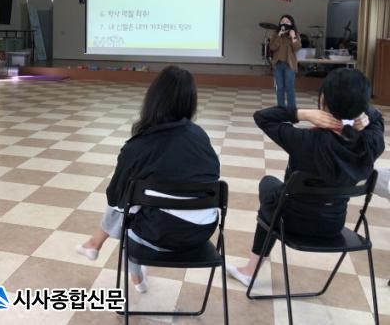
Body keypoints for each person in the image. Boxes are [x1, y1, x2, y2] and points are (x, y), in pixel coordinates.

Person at [227, 68, 385, 286]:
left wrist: (302, 114)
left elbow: (262, 117)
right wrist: (359, 115)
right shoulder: (371, 143)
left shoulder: (305, 141)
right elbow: (377, 119)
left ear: (323, 100)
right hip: (334, 224)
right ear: (362, 105)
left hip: (291, 223)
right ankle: (250, 271)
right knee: (275, 196)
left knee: (269, 188)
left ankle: (250, 271)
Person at [76, 66, 220, 293]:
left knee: (128, 205)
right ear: (191, 101)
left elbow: (115, 196)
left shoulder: (139, 145)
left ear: (153, 99)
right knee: (136, 200)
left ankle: (125, 268)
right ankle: (99, 247)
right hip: (201, 231)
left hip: (159, 235)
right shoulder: (200, 136)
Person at [270, 15, 301, 108]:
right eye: (282, 21)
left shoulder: (295, 34)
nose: (284, 23)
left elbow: (297, 48)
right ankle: (281, 108)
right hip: (278, 64)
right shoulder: (276, 34)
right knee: (279, 88)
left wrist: (293, 37)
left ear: (291, 23)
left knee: (289, 87)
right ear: (280, 23)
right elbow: (272, 47)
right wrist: (279, 35)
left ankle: (291, 109)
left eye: (287, 21)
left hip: (289, 65)